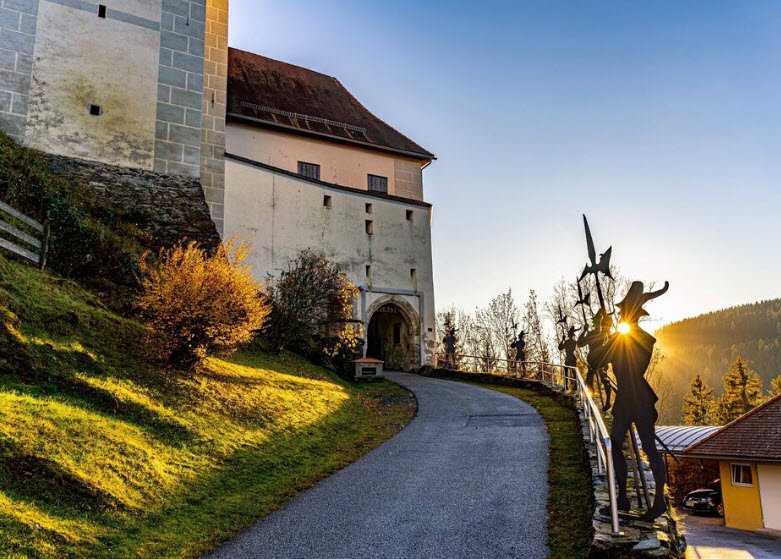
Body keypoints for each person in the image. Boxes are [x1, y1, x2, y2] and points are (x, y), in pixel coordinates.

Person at [592, 281, 669, 521]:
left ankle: (653, 501)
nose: (623, 313)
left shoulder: (638, 340)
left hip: (633, 398)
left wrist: (609, 339)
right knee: (619, 444)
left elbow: (613, 364)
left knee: (645, 447)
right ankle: (626, 499)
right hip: (632, 398)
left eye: (625, 310)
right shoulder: (628, 339)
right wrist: (606, 338)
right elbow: (597, 363)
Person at [577, 309, 613, 411]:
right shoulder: (595, 333)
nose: (596, 325)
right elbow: (580, 344)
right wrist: (584, 330)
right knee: (589, 381)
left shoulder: (602, 333)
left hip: (599, 359)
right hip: (593, 360)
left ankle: (607, 402)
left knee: (603, 379)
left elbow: (581, 343)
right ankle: (592, 399)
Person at [558, 326, 578, 390]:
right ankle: (566, 386)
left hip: (571, 358)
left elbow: (560, 348)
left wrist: (563, 340)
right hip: (569, 358)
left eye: (570, 334)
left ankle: (575, 386)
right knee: (566, 372)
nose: (569, 335)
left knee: (573, 373)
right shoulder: (569, 342)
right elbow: (560, 348)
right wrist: (563, 340)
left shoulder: (573, 342)